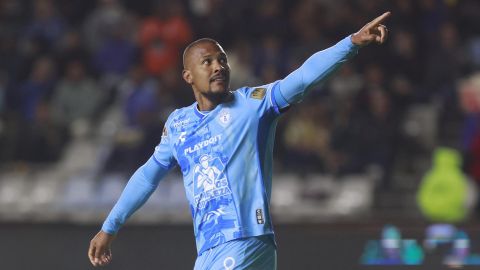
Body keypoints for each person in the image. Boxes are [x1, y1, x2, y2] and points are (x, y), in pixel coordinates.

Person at [88, 11, 391, 269]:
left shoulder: (252, 105)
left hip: (246, 238)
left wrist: (350, 43)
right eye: (207, 62)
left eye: (222, 59)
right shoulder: (178, 124)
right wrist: (109, 227)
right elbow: (147, 176)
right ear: (188, 76)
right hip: (210, 249)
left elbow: (301, 79)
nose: (219, 66)